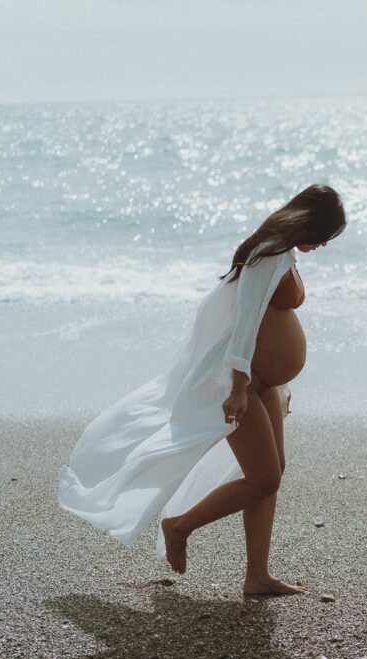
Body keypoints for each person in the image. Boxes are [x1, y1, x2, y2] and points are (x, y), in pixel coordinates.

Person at [58, 184, 346, 596]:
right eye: (324, 236)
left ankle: (257, 576)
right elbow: (245, 321)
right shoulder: (267, 252)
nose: (322, 245)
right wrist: (239, 386)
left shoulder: (282, 252)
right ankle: (179, 526)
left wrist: (276, 381)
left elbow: (263, 324)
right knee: (263, 479)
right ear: (309, 223)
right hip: (236, 384)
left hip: (258, 381)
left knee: (272, 474)